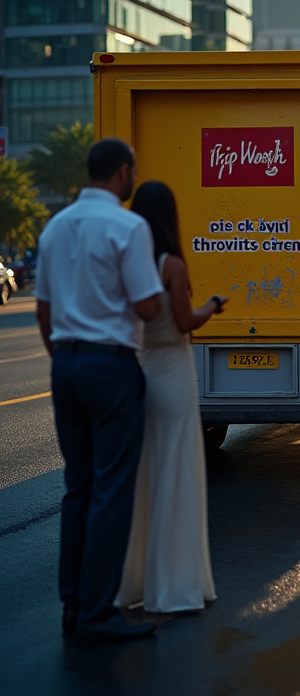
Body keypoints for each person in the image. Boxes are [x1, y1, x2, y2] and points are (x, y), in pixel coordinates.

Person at [35, 138, 164, 643]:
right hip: (110, 365)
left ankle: (72, 602)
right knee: (112, 488)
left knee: (78, 485)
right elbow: (149, 307)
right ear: (123, 173)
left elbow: (44, 310)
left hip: (65, 362)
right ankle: (97, 611)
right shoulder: (128, 227)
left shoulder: (54, 227)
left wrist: (66, 358)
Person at [116, 181, 226, 614]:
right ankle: (173, 586)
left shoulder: (128, 262)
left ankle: (133, 584)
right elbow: (186, 322)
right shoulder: (171, 264)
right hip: (174, 375)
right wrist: (213, 304)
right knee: (177, 476)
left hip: (142, 371)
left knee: (143, 478)